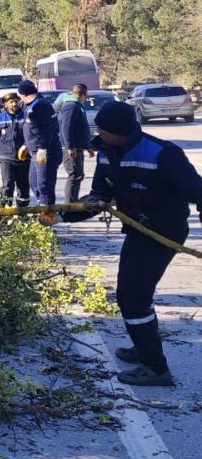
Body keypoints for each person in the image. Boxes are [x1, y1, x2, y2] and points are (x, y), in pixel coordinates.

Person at [75, 100, 202, 386]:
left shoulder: (162, 153)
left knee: (132, 297)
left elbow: (198, 190)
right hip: (137, 230)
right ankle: (144, 346)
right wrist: (66, 214)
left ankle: (155, 368)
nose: (99, 133)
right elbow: (100, 196)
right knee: (134, 293)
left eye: (103, 129)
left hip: (163, 232)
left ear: (118, 131)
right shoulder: (106, 152)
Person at [17, 80, 61, 206]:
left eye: (20, 95)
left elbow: (48, 128)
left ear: (24, 94)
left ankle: (47, 214)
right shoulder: (30, 105)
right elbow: (33, 128)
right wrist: (26, 144)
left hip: (46, 152)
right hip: (34, 151)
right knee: (34, 182)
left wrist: (43, 148)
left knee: (44, 185)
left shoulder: (40, 105)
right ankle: (41, 205)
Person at [0, 92, 30, 212]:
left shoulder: (26, 117)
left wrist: (26, 146)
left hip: (24, 158)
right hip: (7, 158)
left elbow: (32, 134)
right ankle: (6, 213)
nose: (14, 104)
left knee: (23, 186)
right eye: (11, 102)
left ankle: (22, 213)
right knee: (8, 186)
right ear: (5, 104)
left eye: (16, 101)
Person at [55, 81, 92, 205]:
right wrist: (69, 146)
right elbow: (66, 127)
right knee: (74, 175)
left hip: (77, 147)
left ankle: (73, 202)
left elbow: (81, 129)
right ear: (83, 95)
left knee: (78, 175)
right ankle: (70, 205)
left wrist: (88, 146)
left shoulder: (77, 106)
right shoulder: (71, 106)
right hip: (71, 148)